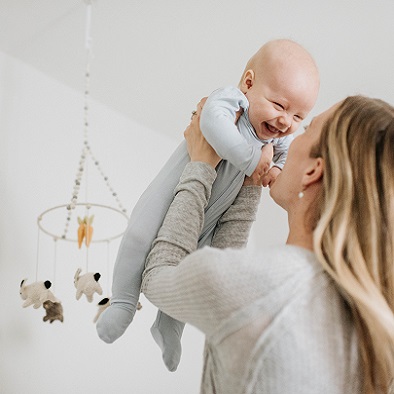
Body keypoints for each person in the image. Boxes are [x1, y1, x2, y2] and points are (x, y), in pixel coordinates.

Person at [141, 95, 394, 393]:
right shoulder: (370, 325)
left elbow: (158, 274)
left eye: (307, 128)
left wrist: (200, 166)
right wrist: (249, 185)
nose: (289, 135)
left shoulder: (260, 287)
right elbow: (232, 281)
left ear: (313, 170)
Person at [96, 38, 320, 372]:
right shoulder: (231, 101)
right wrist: (250, 160)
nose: (286, 121)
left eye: (299, 115)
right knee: (139, 238)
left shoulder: (276, 140)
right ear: (248, 83)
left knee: (192, 267)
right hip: (173, 192)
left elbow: (280, 161)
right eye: (279, 105)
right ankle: (124, 302)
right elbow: (211, 123)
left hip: (210, 216)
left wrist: (272, 169)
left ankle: (170, 326)